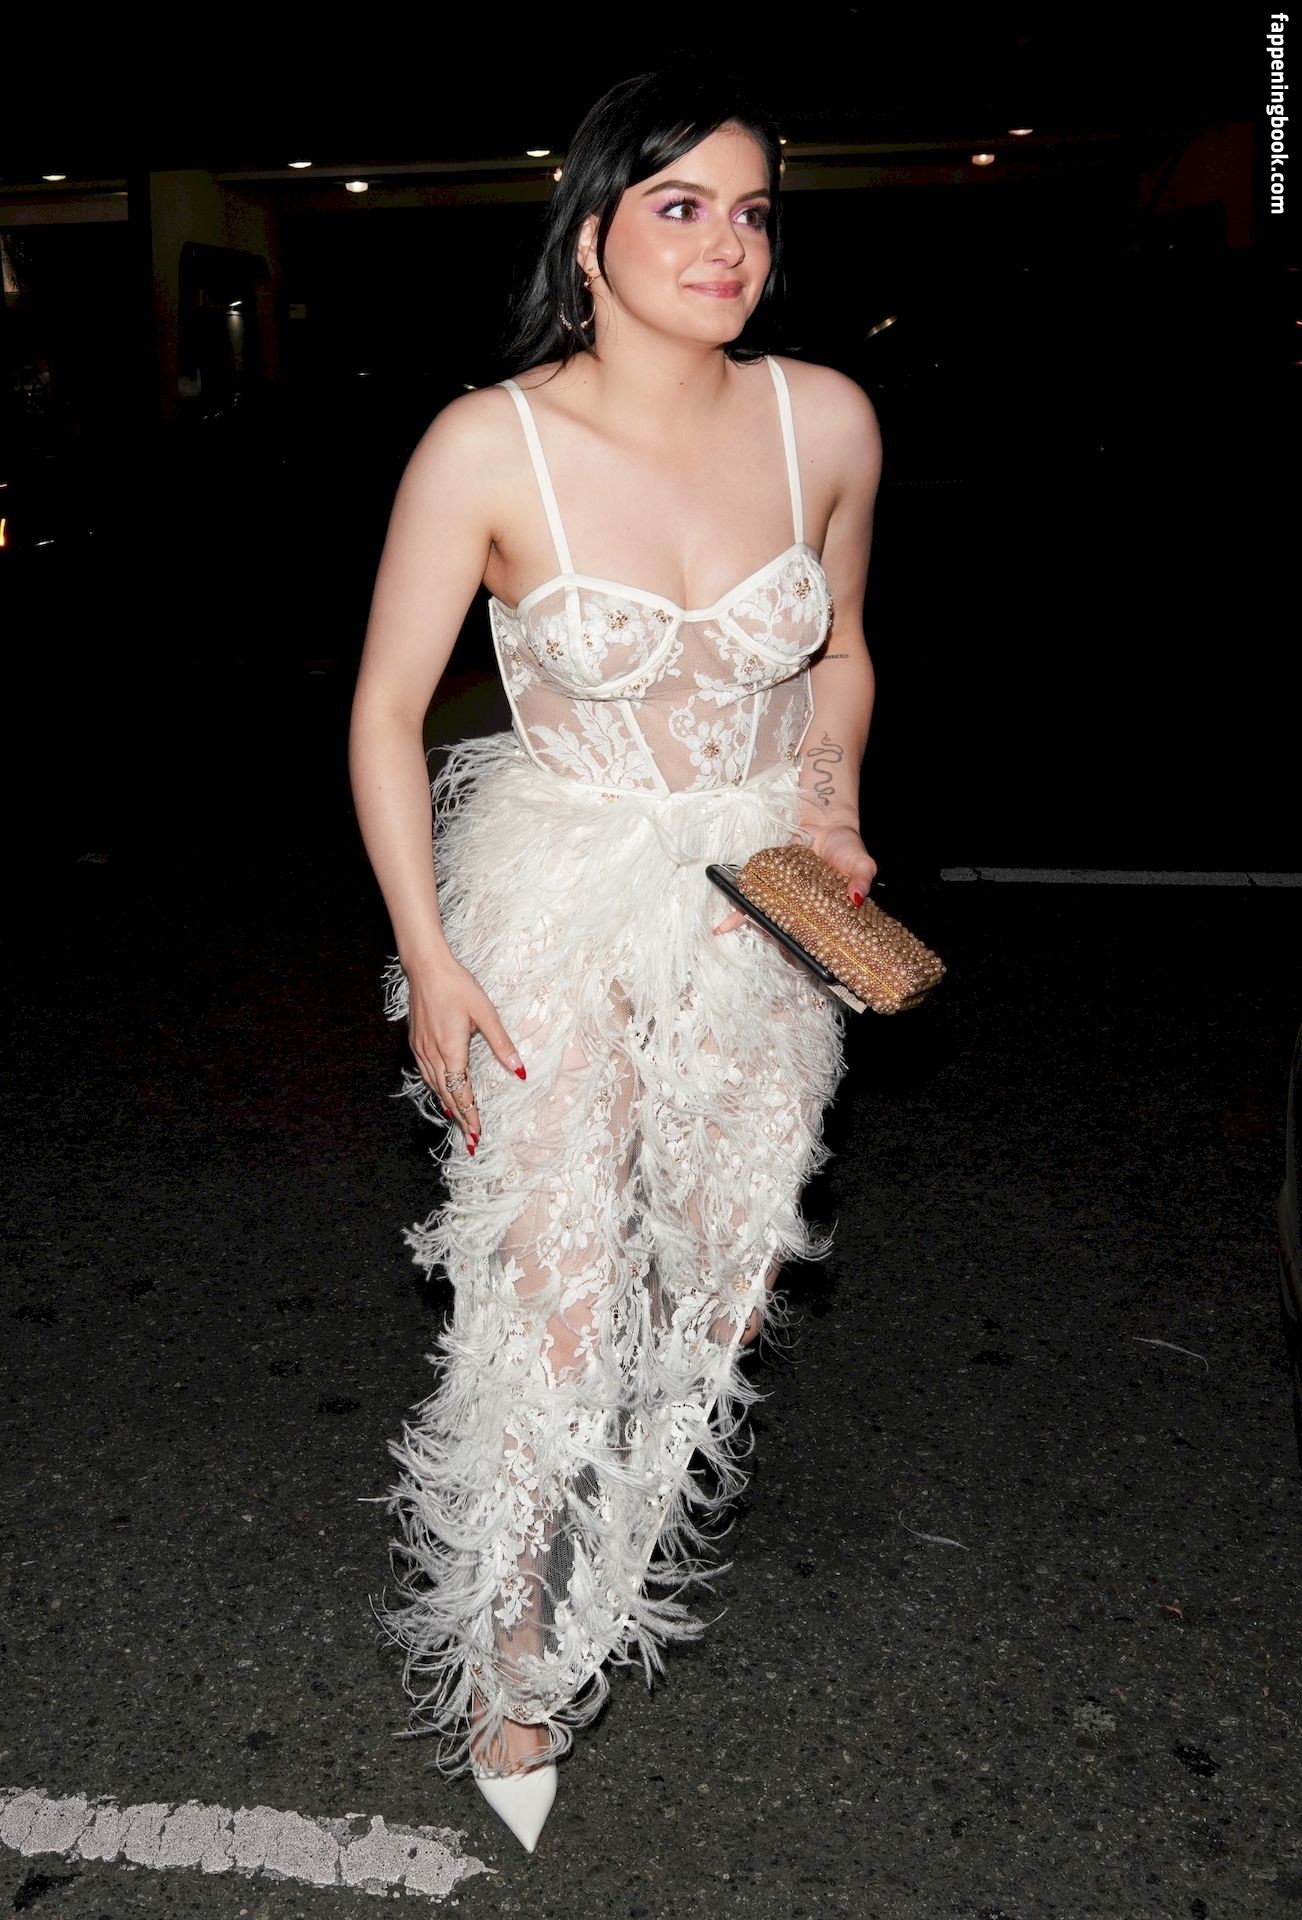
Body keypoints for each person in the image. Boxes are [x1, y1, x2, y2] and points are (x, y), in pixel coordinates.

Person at [348, 64, 881, 1854]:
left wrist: (831, 810)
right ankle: (511, 1656)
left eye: (750, 212)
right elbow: (384, 711)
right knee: (556, 1292)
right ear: (589, 235)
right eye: (678, 206)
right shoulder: (486, 444)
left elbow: (840, 650)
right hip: (557, 888)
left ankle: (601, 1589)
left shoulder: (824, 419)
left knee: (727, 1280)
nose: (725, 244)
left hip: (759, 896)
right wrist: (429, 959)